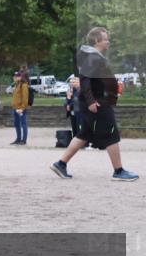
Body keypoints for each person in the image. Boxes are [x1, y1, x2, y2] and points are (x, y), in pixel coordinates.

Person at [51, 27, 139, 182]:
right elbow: (85, 80)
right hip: (98, 103)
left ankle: (61, 164)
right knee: (111, 134)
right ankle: (118, 171)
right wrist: (91, 101)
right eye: (105, 39)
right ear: (97, 41)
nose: (108, 42)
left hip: (94, 102)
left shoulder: (94, 57)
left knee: (84, 134)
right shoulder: (94, 58)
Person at [9, 71, 29, 145]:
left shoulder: (23, 85)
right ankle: (18, 138)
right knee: (17, 124)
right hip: (15, 107)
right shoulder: (17, 84)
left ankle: (23, 140)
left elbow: (25, 98)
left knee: (23, 124)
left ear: (20, 77)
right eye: (14, 76)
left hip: (21, 108)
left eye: (16, 76)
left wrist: (22, 108)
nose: (14, 78)